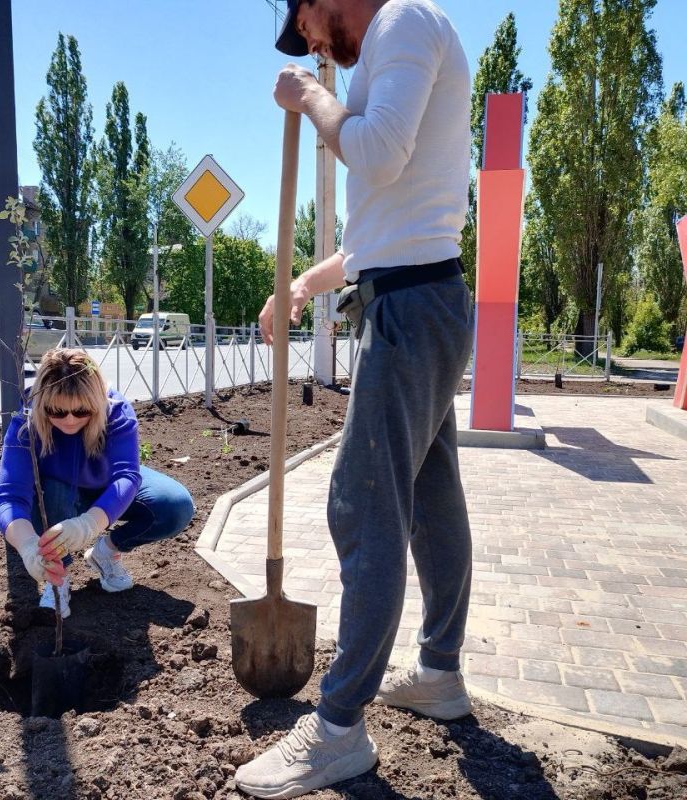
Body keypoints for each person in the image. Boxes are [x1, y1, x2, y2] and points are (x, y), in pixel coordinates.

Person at [235, 1, 474, 796]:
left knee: (362, 504)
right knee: (431, 502)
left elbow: (374, 153)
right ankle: (438, 671)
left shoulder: (404, 21)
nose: (307, 41)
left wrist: (309, 97)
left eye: (302, 22)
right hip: (415, 293)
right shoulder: (390, 48)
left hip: (412, 309)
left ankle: (337, 728)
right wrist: (303, 283)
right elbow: (385, 223)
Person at [0, 348, 195, 618]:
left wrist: (90, 525)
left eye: (81, 411)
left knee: (176, 507)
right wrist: (29, 546)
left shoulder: (116, 411)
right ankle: (58, 576)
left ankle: (106, 553)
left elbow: (126, 475)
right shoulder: (26, 420)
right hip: (56, 492)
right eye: (57, 411)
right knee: (51, 490)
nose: (69, 420)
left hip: (105, 484)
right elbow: (10, 495)